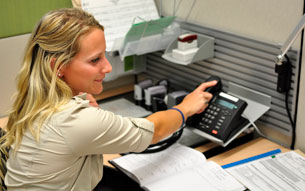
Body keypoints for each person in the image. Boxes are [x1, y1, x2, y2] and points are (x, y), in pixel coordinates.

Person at [0, 8, 217, 191]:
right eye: (95, 60)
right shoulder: (73, 120)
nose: (108, 67)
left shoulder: (32, 98)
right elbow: (155, 130)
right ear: (58, 67)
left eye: (105, 55)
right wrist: (186, 107)